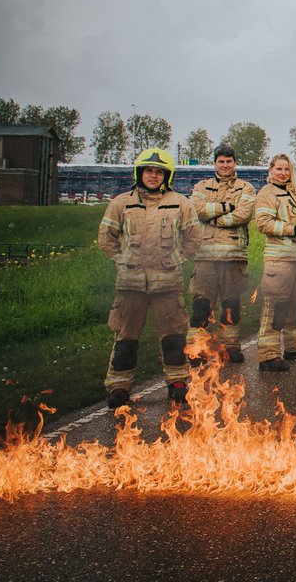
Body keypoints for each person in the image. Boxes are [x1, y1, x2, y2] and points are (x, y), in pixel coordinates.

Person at [97, 148, 201, 408]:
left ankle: (177, 382)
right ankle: (119, 387)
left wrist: (176, 259)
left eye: (158, 171)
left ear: (166, 175)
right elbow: (106, 238)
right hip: (130, 286)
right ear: (139, 173)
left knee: (174, 335)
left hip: (168, 283)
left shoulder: (181, 202)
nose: (153, 175)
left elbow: (194, 237)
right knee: (126, 336)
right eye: (148, 170)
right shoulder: (122, 202)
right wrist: (122, 260)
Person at [187, 143, 256, 363]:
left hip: (234, 257)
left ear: (235, 162)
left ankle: (231, 348)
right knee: (201, 305)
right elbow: (195, 209)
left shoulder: (246, 187)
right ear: (215, 163)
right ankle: (197, 351)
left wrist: (214, 217)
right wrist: (227, 207)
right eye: (221, 161)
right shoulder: (201, 186)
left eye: (229, 161)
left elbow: (244, 213)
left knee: (231, 305)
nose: (225, 165)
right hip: (205, 256)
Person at [253, 153, 296, 372]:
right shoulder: (266, 193)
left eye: (286, 169)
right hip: (278, 259)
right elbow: (262, 223)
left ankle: (295, 347)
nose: (283, 173)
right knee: (276, 307)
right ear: (271, 170)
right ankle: (268, 355)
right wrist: (292, 229)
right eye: (278, 169)